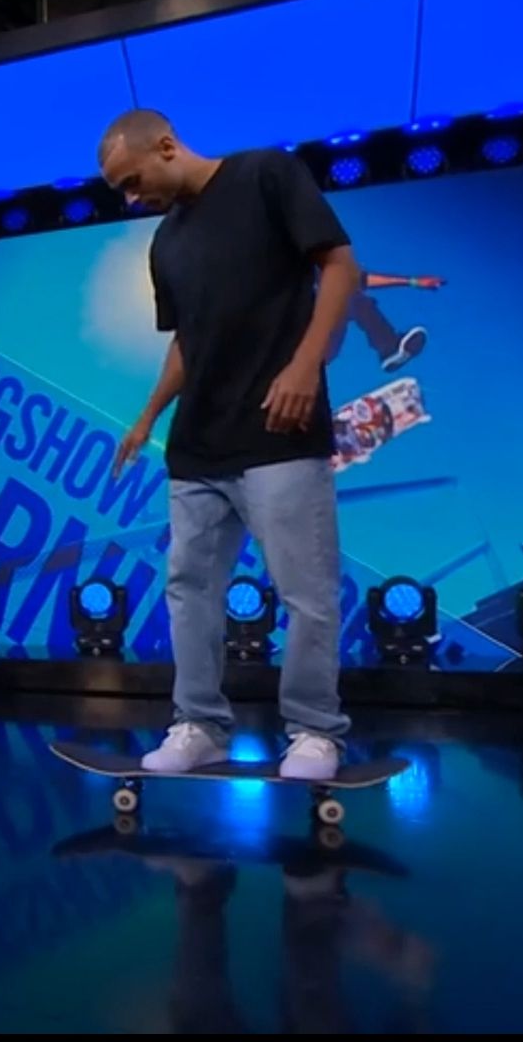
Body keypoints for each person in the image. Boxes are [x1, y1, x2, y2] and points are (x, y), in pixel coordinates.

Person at [100, 109, 359, 780]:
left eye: (132, 182)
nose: (131, 198)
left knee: (305, 594)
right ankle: (199, 726)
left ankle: (315, 731)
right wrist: (147, 417)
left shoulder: (265, 174)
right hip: (198, 446)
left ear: (165, 146)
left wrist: (305, 365)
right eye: (121, 191)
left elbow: (340, 266)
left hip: (278, 434)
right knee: (188, 588)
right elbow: (187, 343)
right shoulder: (165, 242)